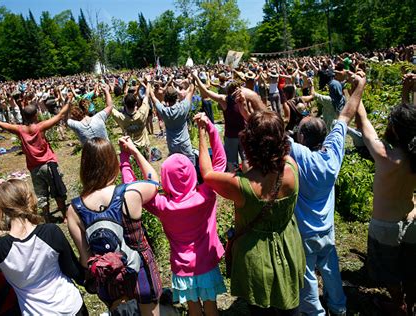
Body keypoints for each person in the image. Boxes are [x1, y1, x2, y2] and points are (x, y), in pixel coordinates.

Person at [199, 109, 305, 315]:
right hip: (289, 247)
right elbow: (269, 135)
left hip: (256, 259)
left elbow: (207, 173)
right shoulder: (292, 166)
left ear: (248, 144)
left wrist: (203, 132)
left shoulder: (242, 186)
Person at [120, 113, 226, 316]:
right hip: (207, 262)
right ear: (193, 174)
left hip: (181, 267)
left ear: (165, 179)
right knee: (211, 307)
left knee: (193, 308)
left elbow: (134, 188)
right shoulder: (206, 195)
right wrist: (209, 130)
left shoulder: (162, 205)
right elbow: (219, 164)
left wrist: (128, 155)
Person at [0, 169, 87, 315]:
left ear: (3, 207)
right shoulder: (51, 232)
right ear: (31, 199)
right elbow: (75, 273)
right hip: (72, 307)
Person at [289, 72, 366, 316]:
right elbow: (346, 114)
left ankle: (314, 312)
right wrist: (359, 86)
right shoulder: (332, 154)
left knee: (307, 274)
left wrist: (250, 104)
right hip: (328, 228)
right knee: (331, 267)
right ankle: (339, 306)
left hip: (305, 232)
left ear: (301, 137)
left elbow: (270, 132)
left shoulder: (299, 155)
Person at [66, 138, 162, 315]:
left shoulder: (74, 210)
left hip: (109, 278)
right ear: (112, 162)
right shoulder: (131, 193)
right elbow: (154, 181)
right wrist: (134, 151)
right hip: (140, 269)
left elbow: (85, 258)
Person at [356, 74, 416, 315]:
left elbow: (363, 120)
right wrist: (407, 92)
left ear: (394, 129)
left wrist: (358, 87)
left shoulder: (384, 156)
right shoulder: (413, 156)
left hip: (385, 226)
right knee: (411, 267)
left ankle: (398, 303)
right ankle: (411, 304)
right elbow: (410, 124)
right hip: (411, 219)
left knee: (387, 270)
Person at [0, 101, 71, 222]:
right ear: (36, 115)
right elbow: (60, 115)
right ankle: (65, 216)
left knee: (41, 194)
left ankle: (47, 217)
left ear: (24, 116)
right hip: (48, 163)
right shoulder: (40, 127)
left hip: (34, 167)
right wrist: (68, 101)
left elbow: (0, 123)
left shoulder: (20, 130)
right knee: (57, 190)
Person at [193, 72, 265, 171]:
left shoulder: (225, 100)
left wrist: (196, 77)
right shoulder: (244, 99)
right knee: (246, 160)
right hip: (245, 133)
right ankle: (247, 180)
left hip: (230, 136)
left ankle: (234, 180)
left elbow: (206, 91)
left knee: (231, 162)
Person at [149, 80, 196, 164]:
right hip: (184, 142)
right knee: (190, 165)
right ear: (176, 97)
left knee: (176, 165)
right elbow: (191, 90)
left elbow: (153, 97)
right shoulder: (183, 107)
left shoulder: (164, 111)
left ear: (166, 98)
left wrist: (148, 82)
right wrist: (193, 78)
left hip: (172, 144)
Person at [112, 78, 152, 160]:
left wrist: (106, 91)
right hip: (144, 147)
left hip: (130, 149)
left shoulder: (121, 118)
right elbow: (147, 95)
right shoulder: (142, 113)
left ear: (125, 105)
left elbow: (109, 107)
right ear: (136, 103)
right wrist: (148, 81)